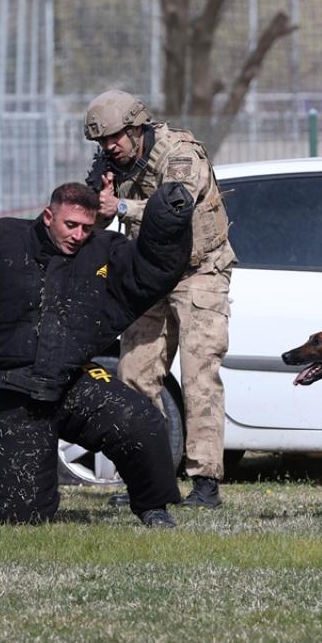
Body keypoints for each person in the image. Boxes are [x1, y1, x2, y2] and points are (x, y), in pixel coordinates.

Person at [0, 179, 193, 527]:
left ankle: (153, 506)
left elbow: (151, 266)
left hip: (71, 382)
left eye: (86, 227)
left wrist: (167, 219)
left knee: (140, 420)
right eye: (71, 225)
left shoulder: (104, 252)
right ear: (48, 216)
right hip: (18, 392)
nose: (79, 235)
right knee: (14, 518)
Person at [84, 89, 235, 509]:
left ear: (136, 128)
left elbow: (176, 206)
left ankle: (205, 484)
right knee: (134, 374)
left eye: (114, 138)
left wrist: (119, 207)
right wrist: (98, 203)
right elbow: (99, 224)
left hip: (199, 271)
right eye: (101, 143)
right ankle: (149, 479)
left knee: (199, 376)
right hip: (150, 275)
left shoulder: (179, 153)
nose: (108, 148)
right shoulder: (117, 164)